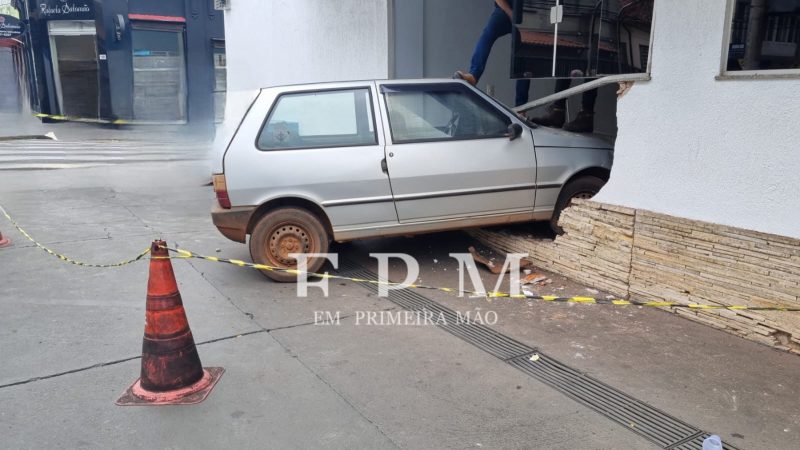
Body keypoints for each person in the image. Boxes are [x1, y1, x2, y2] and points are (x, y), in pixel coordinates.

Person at [454, 0, 531, 107]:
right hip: (504, 10)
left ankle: (522, 107)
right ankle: (473, 75)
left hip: (526, 13)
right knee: (488, 33)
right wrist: (510, 13)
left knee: (524, 54)